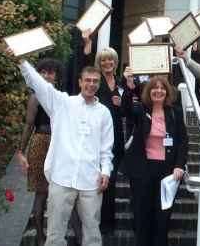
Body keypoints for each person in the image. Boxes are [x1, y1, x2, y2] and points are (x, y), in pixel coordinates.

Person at [17, 59, 114, 246]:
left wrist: (106, 171)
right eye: (88, 80)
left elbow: (106, 149)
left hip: (90, 182)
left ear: (99, 84)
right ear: (80, 82)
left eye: (95, 81)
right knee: (54, 235)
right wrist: (22, 62)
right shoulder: (62, 103)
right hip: (61, 178)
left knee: (93, 234)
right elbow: (39, 84)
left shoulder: (104, 113)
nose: (91, 84)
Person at [82, 30, 137, 233]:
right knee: (95, 179)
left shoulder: (122, 83)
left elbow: (128, 111)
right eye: (103, 60)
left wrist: (124, 98)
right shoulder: (95, 81)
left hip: (115, 136)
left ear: (115, 61)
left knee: (111, 180)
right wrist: (87, 44)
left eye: (110, 60)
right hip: (96, 135)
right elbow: (84, 71)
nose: (107, 63)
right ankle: (91, 221)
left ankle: (107, 224)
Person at [124, 74, 188, 246]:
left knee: (162, 217)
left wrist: (179, 165)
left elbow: (183, 141)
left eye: (162, 88)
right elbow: (126, 110)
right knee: (142, 215)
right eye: (154, 87)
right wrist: (129, 87)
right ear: (148, 91)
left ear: (167, 92)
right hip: (142, 170)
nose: (158, 91)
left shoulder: (175, 112)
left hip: (167, 172)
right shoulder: (141, 110)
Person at [17, 58, 65, 246]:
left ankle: (49, 236)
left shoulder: (59, 96)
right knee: (41, 193)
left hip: (59, 144)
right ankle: (39, 236)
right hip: (41, 142)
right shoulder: (36, 96)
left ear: (56, 76)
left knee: (58, 192)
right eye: (42, 72)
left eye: (50, 72)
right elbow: (29, 125)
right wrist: (20, 150)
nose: (46, 75)